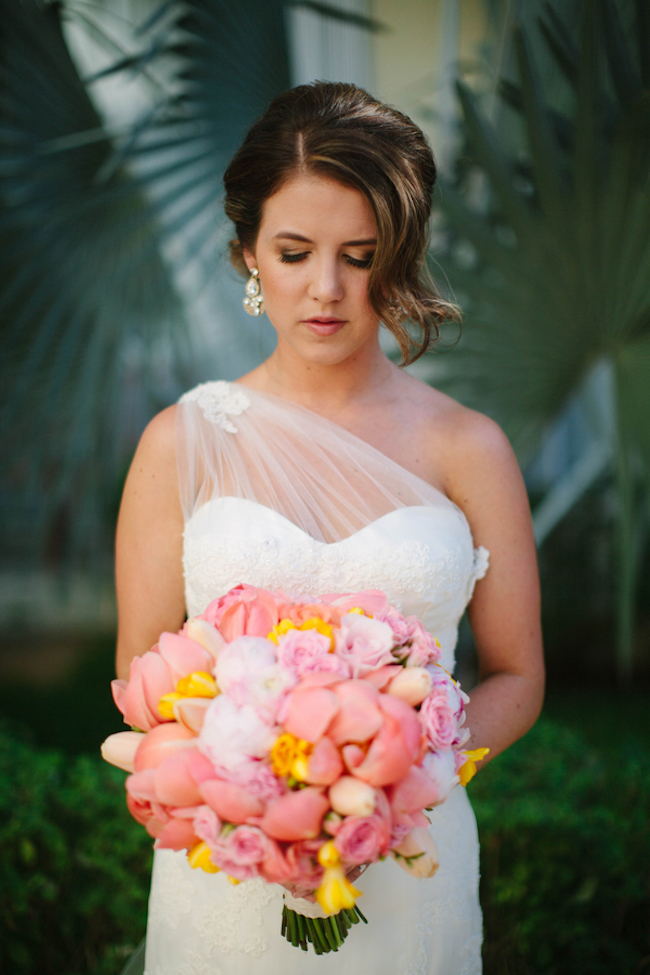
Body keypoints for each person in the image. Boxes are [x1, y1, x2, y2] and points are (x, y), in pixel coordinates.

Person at [115, 82, 544, 975]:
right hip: (227, 871)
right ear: (248, 254)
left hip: (411, 857)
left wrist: (396, 777)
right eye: (295, 251)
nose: (326, 288)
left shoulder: (470, 449)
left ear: (399, 258)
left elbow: (517, 673)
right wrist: (261, 796)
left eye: (360, 254)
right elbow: (141, 682)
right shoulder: (181, 442)